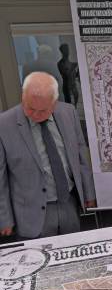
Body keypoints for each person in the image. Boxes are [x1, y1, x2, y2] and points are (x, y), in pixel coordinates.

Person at [0, 72, 96, 240]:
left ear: (54, 103)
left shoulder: (68, 113)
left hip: (68, 203)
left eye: (42, 110)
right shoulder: (4, 125)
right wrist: (4, 218)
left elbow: (79, 156)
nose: (35, 115)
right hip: (31, 212)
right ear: (23, 96)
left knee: (73, 251)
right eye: (30, 107)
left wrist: (89, 193)